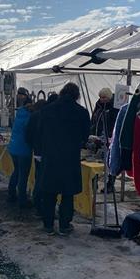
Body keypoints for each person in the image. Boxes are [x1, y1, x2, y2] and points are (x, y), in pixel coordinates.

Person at [37, 83, 90, 236]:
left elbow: (39, 132)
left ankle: (48, 224)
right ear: (76, 95)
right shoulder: (81, 112)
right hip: (69, 158)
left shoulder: (46, 110)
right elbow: (85, 136)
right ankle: (64, 225)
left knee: (49, 193)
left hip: (50, 157)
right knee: (67, 194)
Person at [7, 87, 33, 208]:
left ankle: (11, 194)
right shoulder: (29, 117)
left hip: (13, 147)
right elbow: (30, 134)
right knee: (23, 175)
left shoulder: (19, 113)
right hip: (23, 149)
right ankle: (22, 200)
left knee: (16, 171)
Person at [91, 87, 119, 192]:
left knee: (110, 161)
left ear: (109, 97)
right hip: (98, 137)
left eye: (104, 97)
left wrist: (111, 137)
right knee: (95, 161)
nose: (101, 99)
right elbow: (93, 119)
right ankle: (94, 182)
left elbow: (115, 122)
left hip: (109, 138)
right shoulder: (98, 105)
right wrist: (92, 132)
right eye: (100, 97)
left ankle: (110, 184)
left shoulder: (114, 108)